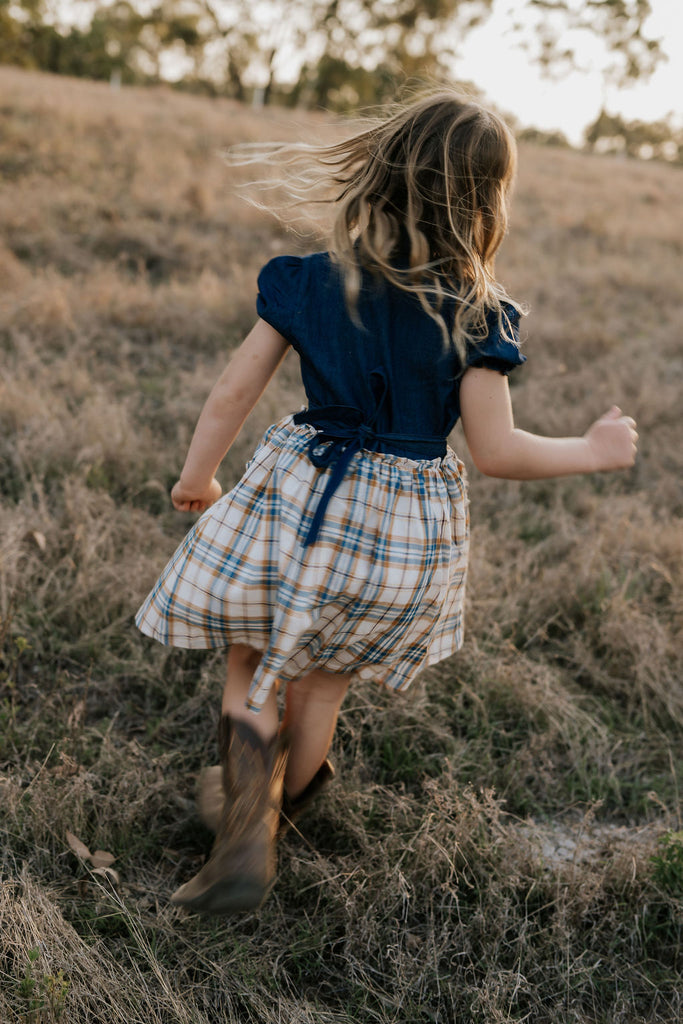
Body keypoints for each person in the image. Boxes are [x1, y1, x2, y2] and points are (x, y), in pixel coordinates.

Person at [135, 92, 637, 916]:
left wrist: (198, 476)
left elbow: (233, 391)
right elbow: (496, 451)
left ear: (381, 168)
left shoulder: (307, 282)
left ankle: (244, 836)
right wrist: (590, 450)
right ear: (485, 202)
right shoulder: (479, 315)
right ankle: (270, 814)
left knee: (252, 666)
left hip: (297, 503)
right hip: (397, 536)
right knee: (323, 687)